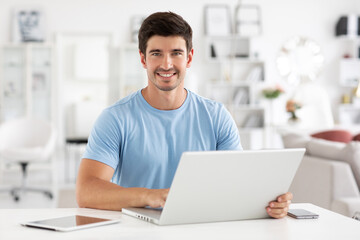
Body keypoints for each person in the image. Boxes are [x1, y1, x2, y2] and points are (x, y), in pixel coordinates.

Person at [76, 11, 292, 219]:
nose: (166, 64)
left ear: (189, 57)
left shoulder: (217, 117)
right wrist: (152, 197)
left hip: (201, 228)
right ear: (143, 59)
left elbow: (236, 185)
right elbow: (86, 192)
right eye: (156, 53)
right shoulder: (115, 118)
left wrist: (273, 203)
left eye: (176, 53)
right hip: (137, 230)